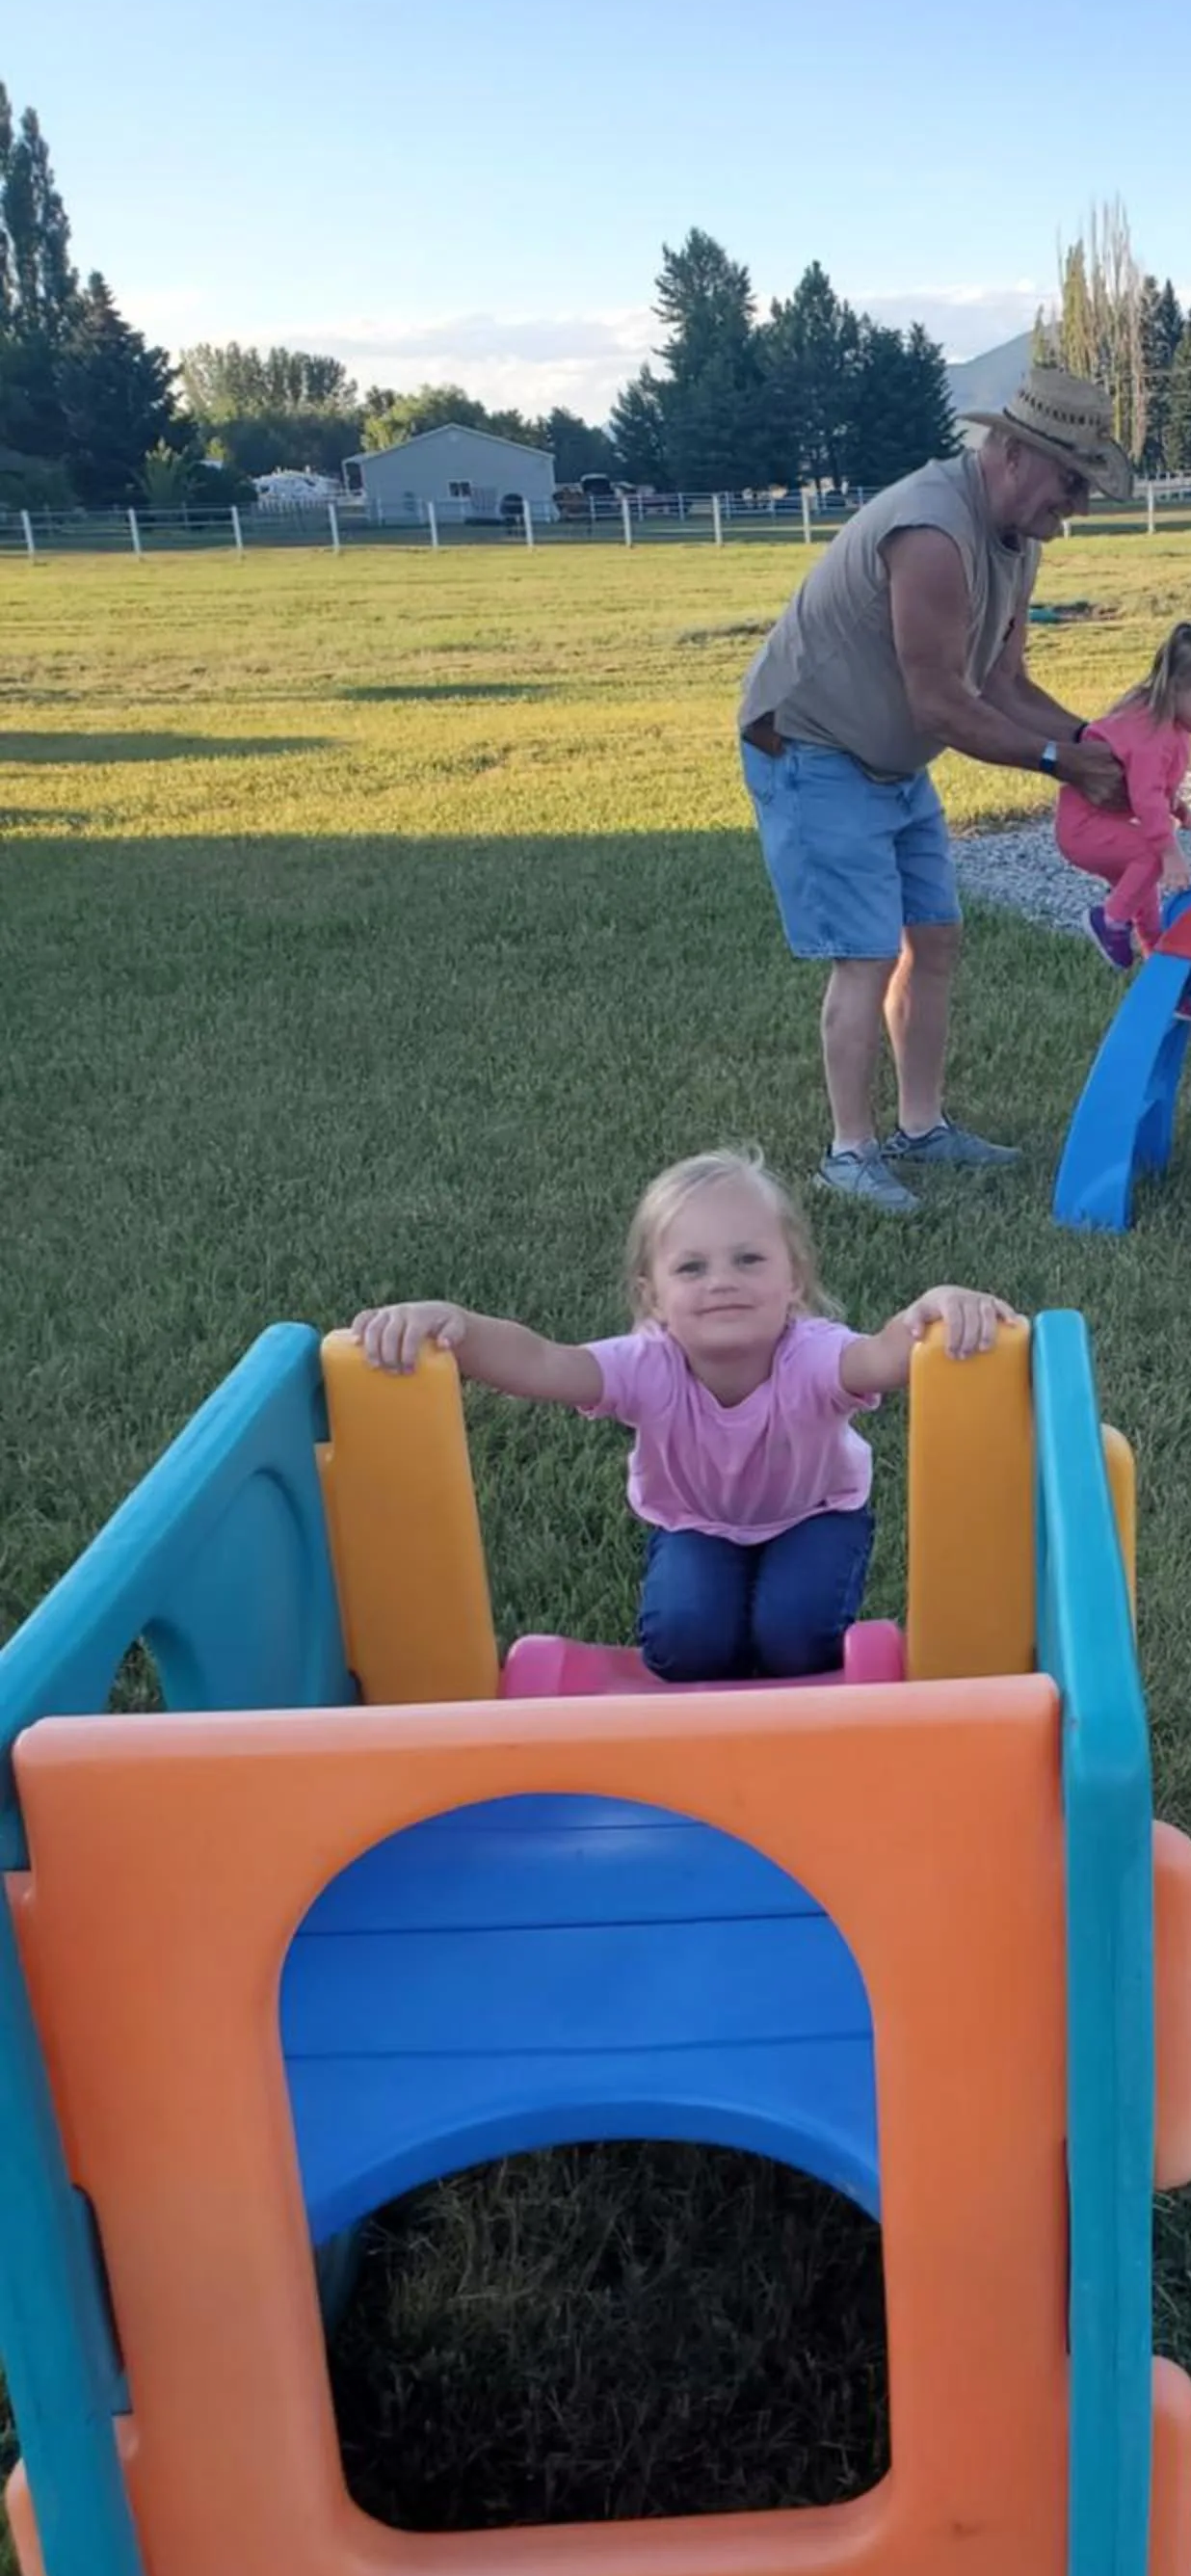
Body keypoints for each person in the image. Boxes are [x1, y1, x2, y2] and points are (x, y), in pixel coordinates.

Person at [348, 1148, 1019, 1683]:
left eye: (749, 1260)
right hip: (697, 1522)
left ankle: (786, 1635)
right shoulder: (648, 1364)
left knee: (793, 1645)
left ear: (794, 1280)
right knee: (687, 1648)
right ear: (653, 1297)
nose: (721, 1280)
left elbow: (880, 1357)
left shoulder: (811, 1357)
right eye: (691, 1267)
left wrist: (932, 1307)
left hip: (817, 1513)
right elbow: (543, 1363)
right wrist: (456, 1327)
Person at [738, 365, 1136, 1215]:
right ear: (1016, 454)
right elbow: (945, 704)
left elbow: (1004, 683)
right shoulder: (930, 533)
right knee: (867, 950)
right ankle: (849, 1155)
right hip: (813, 746)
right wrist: (1057, 765)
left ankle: (921, 1128)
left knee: (937, 937)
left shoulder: (1015, 543)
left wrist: (1105, 750)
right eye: (1073, 481)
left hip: (893, 757)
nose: (1078, 508)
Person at [1055, 620, 1191, 969]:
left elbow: (1154, 789)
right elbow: (1146, 799)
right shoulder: (1152, 734)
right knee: (1152, 854)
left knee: (1146, 892)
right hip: (1083, 828)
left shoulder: (1169, 728)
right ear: (1176, 687)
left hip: (1095, 825)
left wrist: (1177, 808)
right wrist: (1170, 852)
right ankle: (1110, 921)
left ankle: (1157, 958)